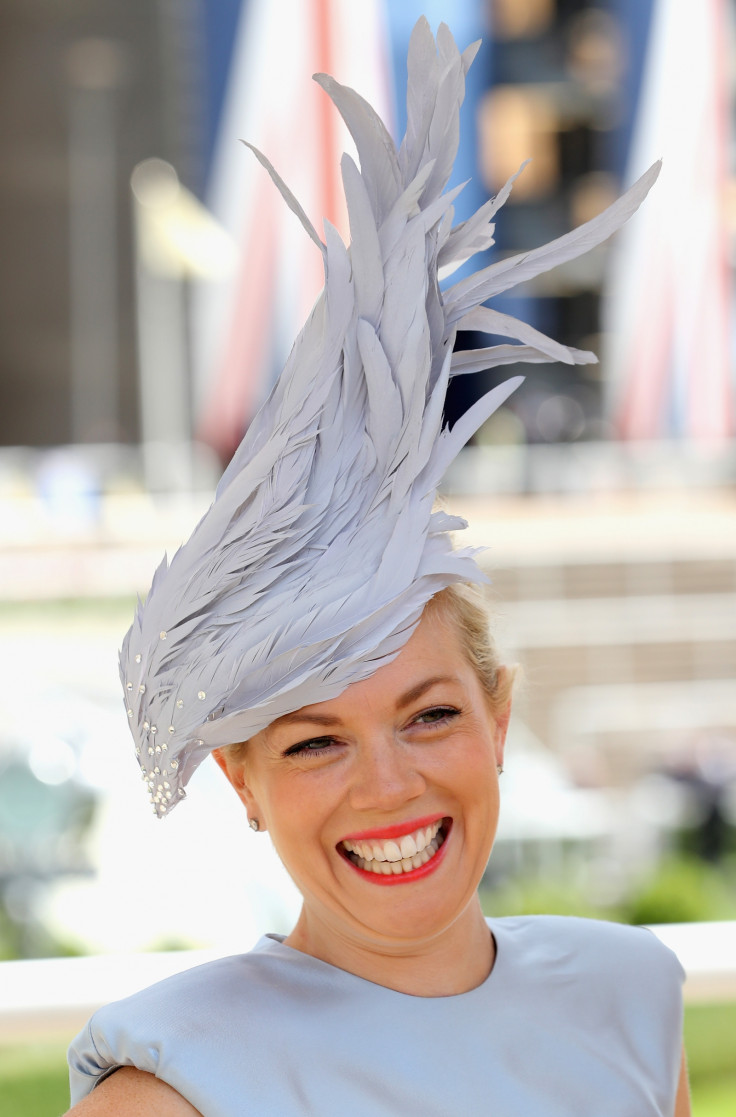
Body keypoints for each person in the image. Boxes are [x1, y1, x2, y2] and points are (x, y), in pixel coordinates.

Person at [65, 17, 690, 1116]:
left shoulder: (628, 995)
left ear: (499, 718)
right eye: (314, 740)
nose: (389, 783)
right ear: (241, 781)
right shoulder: (169, 1082)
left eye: (430, 715)